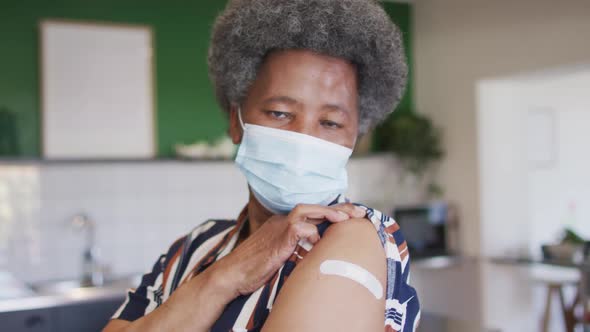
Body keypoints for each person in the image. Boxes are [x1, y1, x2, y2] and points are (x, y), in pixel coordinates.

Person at [103, 0, 420, 331]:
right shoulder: (196, 246)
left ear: (357, 134)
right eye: (280, 113)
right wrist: (226, 276)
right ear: (236, 121)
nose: (303, 138)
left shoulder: (354, 239)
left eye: (329, 122)